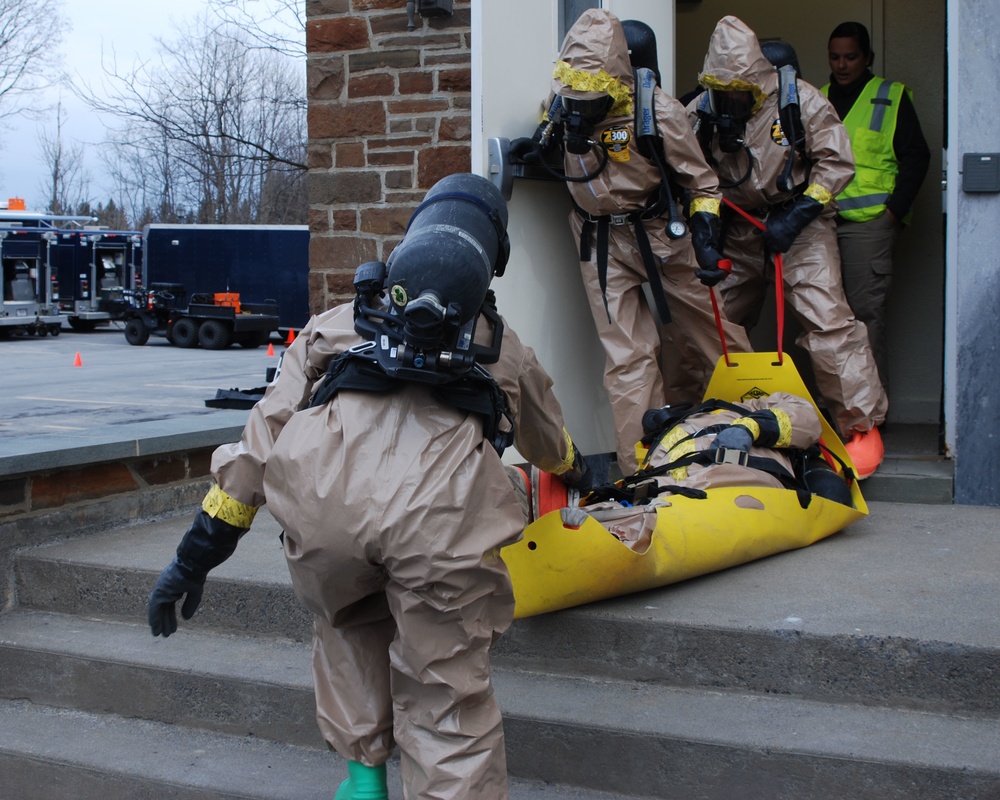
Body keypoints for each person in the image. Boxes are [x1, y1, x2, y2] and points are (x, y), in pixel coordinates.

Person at [146, 173, 592, 800]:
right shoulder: (502, 348)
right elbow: (547, 438)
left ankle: (363, 783)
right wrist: (576, 467)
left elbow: (260, 444)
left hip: (325, 512)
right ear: (490, 262)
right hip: (443, 523)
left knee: (346, 622)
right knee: (445, 691)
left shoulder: (335, 324)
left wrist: (194, 558)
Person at [511, 8, 751, 475]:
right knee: (628, 358)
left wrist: (704, 241)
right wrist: (537, 150)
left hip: (659, 234)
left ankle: (770, 427)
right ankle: (644, 468)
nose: (579, 109)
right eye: (572, 99)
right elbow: (560, 146)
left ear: (616, 84)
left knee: (714, 336)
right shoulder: (565, 100)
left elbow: (702, 184)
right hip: (599, 240)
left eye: (590, 102)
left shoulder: (659, 112)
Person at [686, 15, 888, 479]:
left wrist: (798, 215)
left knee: (826, 318)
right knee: (709, 317)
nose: (730, 97)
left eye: (738, 89)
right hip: (738, 227)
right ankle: (704, 420)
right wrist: (704, 232)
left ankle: (860, 427)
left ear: (757, 80)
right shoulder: (701, 111)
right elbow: (690, 174)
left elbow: (837, 165)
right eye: (721, 88)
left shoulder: (799, 102)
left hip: (801, 223)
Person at [558, 392, 853, 552]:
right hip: (668, 482)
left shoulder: (756, 407)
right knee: (630, 498)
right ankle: (592, 529)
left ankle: (608, 538)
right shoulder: (681, 424)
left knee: (668, 512)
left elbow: (806, 419)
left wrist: (750, 426)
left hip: (733, 478)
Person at [822, 21, 931, 396]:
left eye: (850, 56)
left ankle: (870, 412)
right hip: (820, 224)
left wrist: (892, 214)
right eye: (835, 57)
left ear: (867, 57)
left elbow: (917, 157)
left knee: (864, 320)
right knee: (825, 321)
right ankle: (837, 405)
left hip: (869, 225)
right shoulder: (817, 97)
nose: (842, 64)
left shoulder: (890, 96)